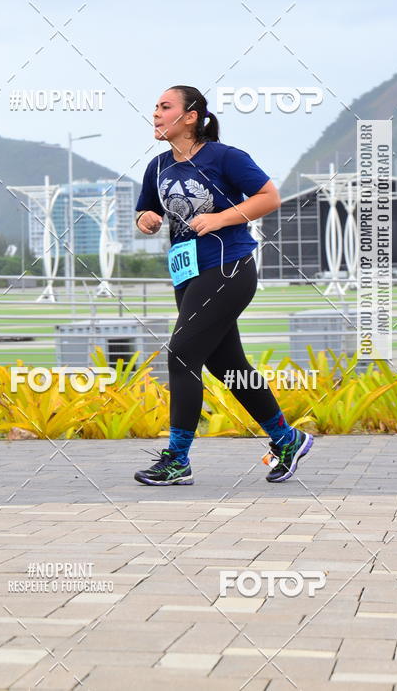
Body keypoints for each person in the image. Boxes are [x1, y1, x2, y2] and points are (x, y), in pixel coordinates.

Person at [133, 85, 313, 486]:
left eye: (165, 107)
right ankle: (287, 438)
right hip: (187, 273)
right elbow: (146, 207)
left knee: (181, 356)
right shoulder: (158, 166)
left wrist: (220, 218)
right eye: (155, 107)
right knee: (228, 366)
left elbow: (269, 197)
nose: (156, 114)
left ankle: (177, 459)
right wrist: (146, 218)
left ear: (191, 116)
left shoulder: (225, 157)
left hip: (228, 267)